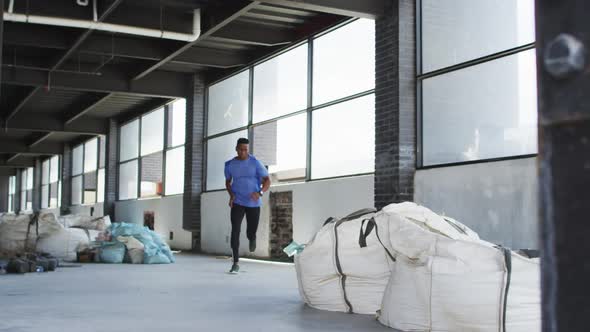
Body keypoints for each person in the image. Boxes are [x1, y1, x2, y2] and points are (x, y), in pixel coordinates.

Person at [224, 138, 271, 273]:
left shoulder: (255, 163)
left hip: (253, 203)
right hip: (237, 201)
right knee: (235, 230)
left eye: (245, 150)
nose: (243, 152)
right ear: (236, 149)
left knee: (251, 230)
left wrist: (260, 192)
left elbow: (268, 180)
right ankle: (235, 262)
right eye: (240, 149)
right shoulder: (230, 164)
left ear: (248, 150)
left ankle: (252, 238)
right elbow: (228, 181)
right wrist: (231, 195)